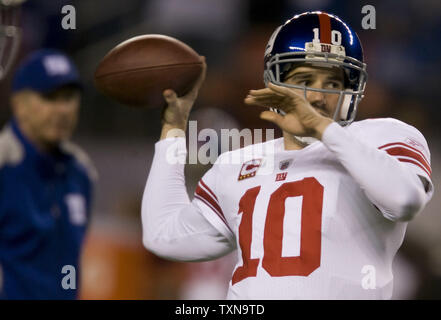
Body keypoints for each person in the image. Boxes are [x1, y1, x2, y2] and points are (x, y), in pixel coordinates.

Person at [141, 12, 434, 299]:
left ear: (352, 89)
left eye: (333, 83)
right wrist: (173, 130)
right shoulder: (235, 164)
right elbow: (164, 237)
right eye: (305, 81)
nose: (319, 97)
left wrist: (323, 129)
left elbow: (404, 200)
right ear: (275, 83)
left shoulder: (380, 136)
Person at [0, 49, 96, 299]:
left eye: (69, 97)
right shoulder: (3, 165)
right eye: (49, 97)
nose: (62, 109)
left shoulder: (82, 171)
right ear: (19, 105)